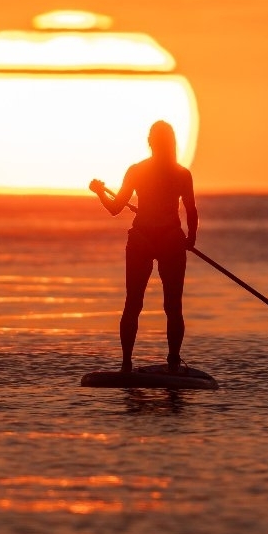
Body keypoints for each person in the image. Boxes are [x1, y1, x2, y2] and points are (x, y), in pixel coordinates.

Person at [89, 120, 198, 374]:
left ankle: (126, 364)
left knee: (133, 304)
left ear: (150, 142)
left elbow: (115, 208)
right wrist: (191, 238)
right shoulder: (182, 174)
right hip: (171, 239)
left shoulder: (137, 171)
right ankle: (172, 362)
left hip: (143, 239)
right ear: (172, 143)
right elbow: (191, 211)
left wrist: (99, 192)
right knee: (173, 306)